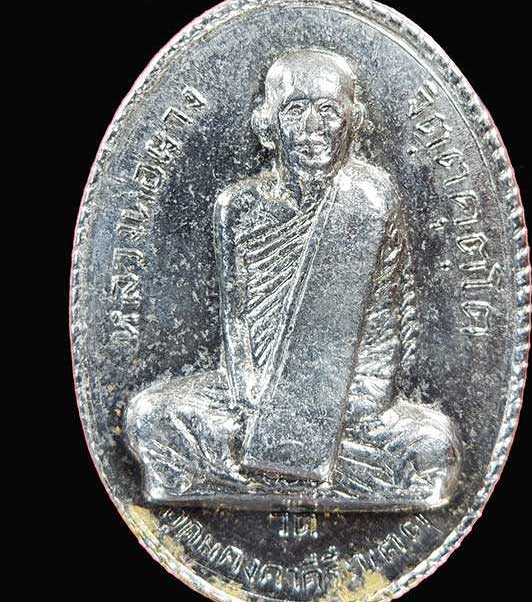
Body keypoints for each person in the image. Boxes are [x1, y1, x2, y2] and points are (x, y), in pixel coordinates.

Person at [125, 48, 461, 507]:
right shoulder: (238, 207)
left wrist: (325, 410)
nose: (312, 129)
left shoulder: (368, 199)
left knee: (433, 446)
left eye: (328, 111)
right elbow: (237, 330)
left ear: (354, 121)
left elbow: (387, 331)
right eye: (294, 110)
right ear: (267, 123)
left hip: (347, 403)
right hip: (251, 400)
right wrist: (257, 402)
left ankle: (252, 476)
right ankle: (294, 474)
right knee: (149, 417)